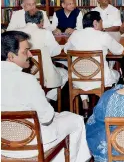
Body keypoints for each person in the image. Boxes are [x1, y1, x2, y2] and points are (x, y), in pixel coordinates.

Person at [1, 31, 91, 162]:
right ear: (11, 56)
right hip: (30, 144)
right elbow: (46, 117)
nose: (31, 54)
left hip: (3, 145)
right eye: (26, 51)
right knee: (76, 120)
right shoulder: (27, 80)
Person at [64, 11, 124, 116]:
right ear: (95, 23)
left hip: (78, 80)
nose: (102, 25)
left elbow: (66, 50)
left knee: (84, 72)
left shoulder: (75, 34)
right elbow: (119, 50)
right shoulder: (103, 36)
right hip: (100, 80)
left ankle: (84, 101)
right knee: (117, 74)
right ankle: (107, 106)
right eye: (101, 22)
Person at [17, 10, 67, 102]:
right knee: (65, 74)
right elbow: (56, 51)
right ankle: (47, 99)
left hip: (22, 72)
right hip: (43, 74)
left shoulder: (16, 33)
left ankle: (38, 100)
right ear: (41, 22)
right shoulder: (45, 33)